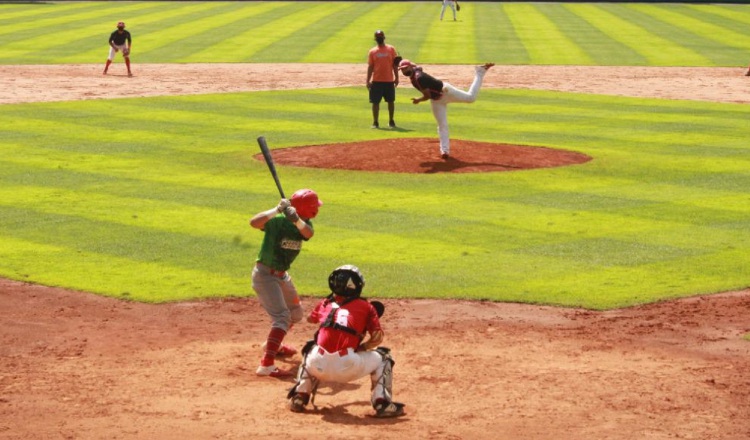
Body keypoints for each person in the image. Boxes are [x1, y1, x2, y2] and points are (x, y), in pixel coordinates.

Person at [287, 265, 406, 418]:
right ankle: (382, 403)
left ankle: (300, 396)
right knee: (385, 357)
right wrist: (362, 346)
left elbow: (311, 319)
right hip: (347, 365)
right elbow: (377, 337)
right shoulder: (367, 306)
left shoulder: (325, 303)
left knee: (311, 347)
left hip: (317, 366)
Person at [250, 189, 323, 378]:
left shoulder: (304, 224)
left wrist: (296, 219)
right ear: (311, 208)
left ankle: (273, 344)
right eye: (316, 206)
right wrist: (276, 209)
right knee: (282, 317)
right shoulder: (277, 223)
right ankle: (266, 365)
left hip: (282, 276)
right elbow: (253, 222)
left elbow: (309, 233)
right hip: (265, 276)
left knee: (295, 313)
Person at [399, 59, 494, 159]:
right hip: (436, 101)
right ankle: (445, 151)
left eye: (405, 68)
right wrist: (409, 64)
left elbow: (427, 96)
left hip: (446, 92)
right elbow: (417, 66)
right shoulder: (416, 70)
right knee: (442, 124)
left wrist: (418, 100)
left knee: (471, 98)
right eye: (402, 70)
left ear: (410, 67)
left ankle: (480, 72)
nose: (404, 71)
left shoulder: (419, 78)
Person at [366, 30, 400, 129]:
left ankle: (391, 121)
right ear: (375, 39)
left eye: (380, 36)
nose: (379, 38)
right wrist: (367, 80)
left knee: (391, 101)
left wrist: (397, 77)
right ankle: (375, 122)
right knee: (375, 102)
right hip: (376, 80)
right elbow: (370, 67)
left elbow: (395, 65)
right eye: (378, 37)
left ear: (384, 37)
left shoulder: (391, 49)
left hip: (389, 80)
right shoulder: (372, 51)